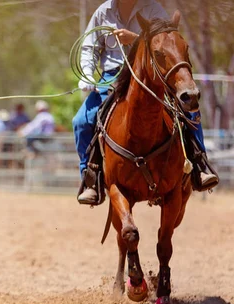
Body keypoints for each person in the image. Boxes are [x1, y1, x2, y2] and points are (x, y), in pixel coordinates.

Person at [74, 0, 218, 204]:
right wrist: (87, 75)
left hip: (148, 77)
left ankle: (200, 165)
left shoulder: (153, 9)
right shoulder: (102, 12)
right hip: (111, 77)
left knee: (190, 112)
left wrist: (134, 39)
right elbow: (90, 48)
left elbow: (167, 45)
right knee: (81, 121)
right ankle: (90, 179)